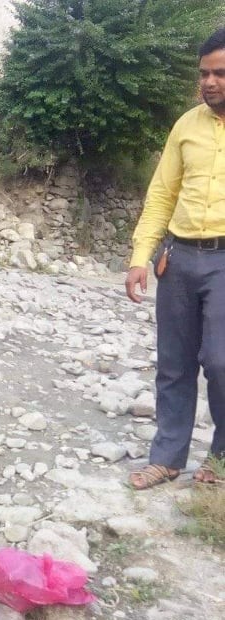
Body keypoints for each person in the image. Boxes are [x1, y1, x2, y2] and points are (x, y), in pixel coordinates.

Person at [125, 28, 225, 489]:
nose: (210, 82)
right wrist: (139, 257)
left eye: (220, 73)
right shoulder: (186, 126)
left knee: (222, 361)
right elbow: (162, 194)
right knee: (174, 363)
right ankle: (167, 458)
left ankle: (220, 460)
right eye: (204, 73)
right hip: (178, 258)